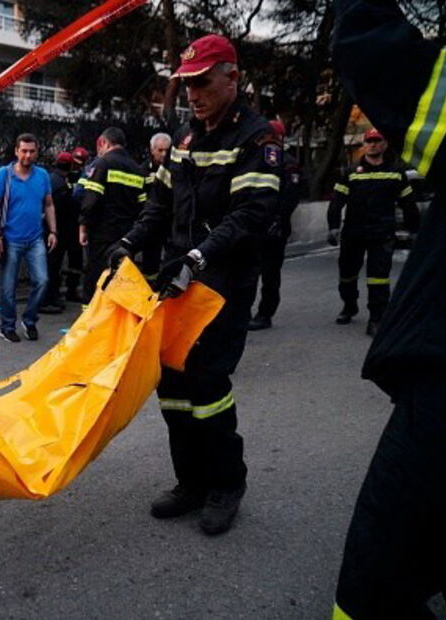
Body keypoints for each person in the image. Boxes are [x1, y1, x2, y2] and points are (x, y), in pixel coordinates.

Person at [331, 0, 446, 618]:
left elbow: (383, 59)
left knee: (381, 568)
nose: (371, 145)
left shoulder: (404, 162)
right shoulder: (356, 171)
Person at [110, 34, 279, 535]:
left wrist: (199, 256)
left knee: (208, 387)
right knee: (174, 388)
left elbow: (252, 213)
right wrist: (127, 243)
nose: (193, 94)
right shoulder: (184, 141)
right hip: (179, 282)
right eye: (186, 85)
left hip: (222, 283)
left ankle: (227, 483)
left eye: (202, 82)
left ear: (233, 77)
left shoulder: (257, 139)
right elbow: (159, 208)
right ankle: (191, 482)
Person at [327, 127, 419, 336]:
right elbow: (336, 203)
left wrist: (414, 230)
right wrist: (333, 227)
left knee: (378, 277)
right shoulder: (350, 172)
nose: (373, 144)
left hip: (382, 233)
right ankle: (349, 305)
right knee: (347, 275)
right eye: (370, 141)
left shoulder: (396, 173)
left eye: (378, 141)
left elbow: (409, 204)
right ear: (364, 145)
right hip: (353, 233)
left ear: (385, 145)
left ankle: (376, 318)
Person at [0, 133, 57, 342]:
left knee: (43, 281)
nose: (27, 155)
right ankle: (7, 326)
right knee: (8, 287)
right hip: (11, 240)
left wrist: (53, 231)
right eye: (24, 151)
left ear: (37, 152)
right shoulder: (4, 174)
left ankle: (29, 321)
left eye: (32, 151)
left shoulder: (43, 175)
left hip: (35, 238)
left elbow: (48, 204)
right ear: (16, 151)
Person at [78, 127, 146, 303]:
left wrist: (83, 226)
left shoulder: (103, 164)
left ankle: (90, 321)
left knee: (94, 278)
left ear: (104, 143)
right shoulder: (137, 169)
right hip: (126, 236)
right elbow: (143, 207)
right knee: (118, 279)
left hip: (101, 233)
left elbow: (91, 200)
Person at [249, 120, 305, 330]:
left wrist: (277, 220)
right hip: (254, 226)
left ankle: (265, 314)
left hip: (274, 228)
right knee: (250, 272)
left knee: (270, 274)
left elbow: (291, 197)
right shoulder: (258, 160)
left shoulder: (287, 163)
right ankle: (244, 312)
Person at [41, 152, 83, 313]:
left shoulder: (52, 179)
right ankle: (48, 299)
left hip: (55, 230)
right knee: (52, 265)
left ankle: (52, 297)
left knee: (53, 265)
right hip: (59, 231)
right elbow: (62, 208)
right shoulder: (61, 184)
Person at [137, 132, 173, 277]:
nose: (164, 154)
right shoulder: (142, 170)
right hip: (151, 223)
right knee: (150, 262)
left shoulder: (177, 169)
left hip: (171, 223)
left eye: (167, 150)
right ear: (152, 150)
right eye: (160, 150)